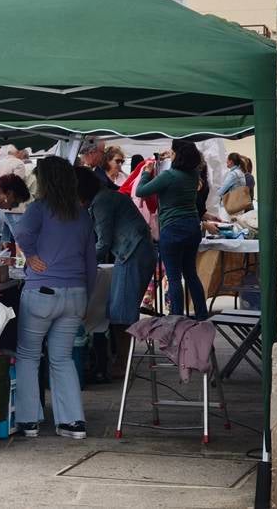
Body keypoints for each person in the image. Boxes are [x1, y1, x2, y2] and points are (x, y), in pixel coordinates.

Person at [13, 156, 96, 440]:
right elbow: (90, 262)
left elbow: (21, 232)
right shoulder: (82, 213)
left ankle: (28, 421)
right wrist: (88, 297)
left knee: (28, 356)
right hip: (76, 294)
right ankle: (73, 422)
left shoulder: (39, 209)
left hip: (41, 292)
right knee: (62, 358)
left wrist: (32, 256)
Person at [76, 167, 155, 382]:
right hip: (134, 252)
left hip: (132, 253)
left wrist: (81, 263)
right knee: (119, 311)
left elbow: (103, 242)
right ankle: (121, 360)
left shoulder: (102, 201)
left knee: (121, 313)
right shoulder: (104, 198)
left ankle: (123, 363)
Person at [135, 144, 209, 320]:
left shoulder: (169, 176)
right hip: (192, 227)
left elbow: (141, 191)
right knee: (191, 273)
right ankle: (201, 316)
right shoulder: (193, 175)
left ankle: (176, 319)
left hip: (172, 228)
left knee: (174, 277)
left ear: (177, 154)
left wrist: (146, 172)